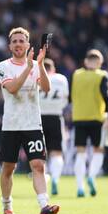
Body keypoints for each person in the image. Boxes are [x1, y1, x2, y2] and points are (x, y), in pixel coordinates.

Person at [0, 27, 59, 214]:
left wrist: (39, 64)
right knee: (9, 169)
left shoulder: (35, 65)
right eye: (14, 41)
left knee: (38, 165)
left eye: (21, 40)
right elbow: (13, 89)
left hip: (33, 124)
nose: (17, 44)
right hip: (11, 125)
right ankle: (7, 206)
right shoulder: (4, 66)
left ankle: (44, 206)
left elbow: (47, 88)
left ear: (27, 44)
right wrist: (29, 68)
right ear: (9, 46)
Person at [71, 49, 108, 197]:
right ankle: (91, 176)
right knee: (98, 150)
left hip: (79, 118)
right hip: (96, 118)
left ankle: (80, 187)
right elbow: (106, 95)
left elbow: (71, 96)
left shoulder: (76, 75)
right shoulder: (102, 75)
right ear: (100, 63)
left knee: (80, 153)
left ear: (86, 61)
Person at [39, 58, 69, 195]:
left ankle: (44, 178)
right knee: (57, 151)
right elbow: (65, 99)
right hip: (56, 116)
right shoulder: (61, 79)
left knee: (40, 153)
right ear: (54, 69)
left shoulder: (37, 76)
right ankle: (55, 179)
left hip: (38, 118)